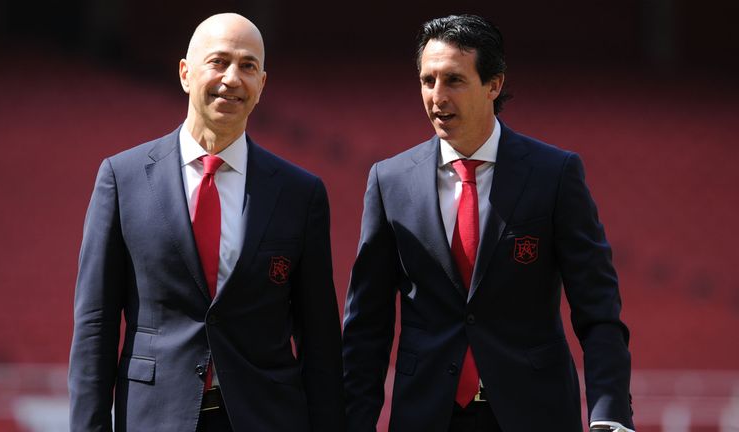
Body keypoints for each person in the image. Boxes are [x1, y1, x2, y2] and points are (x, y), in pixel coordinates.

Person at [342, 14, 633, 432]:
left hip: (536, 413)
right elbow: (366, 326)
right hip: (426, 414)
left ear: (494, 84)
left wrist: (610, 414)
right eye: (428, 81)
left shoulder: (554, 174)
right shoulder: (390, 181)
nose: (437, 97)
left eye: (454, 80)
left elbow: (598, 308)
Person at [68, 13, 345, 432]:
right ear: (185, 73)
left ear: (262, 86)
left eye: (248, 66)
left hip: (266, 418)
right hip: (154, 417)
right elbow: (96, 326)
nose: (232, 78)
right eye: (218, 62)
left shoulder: (300, 194)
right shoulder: (121, 179)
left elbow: (319, 339)